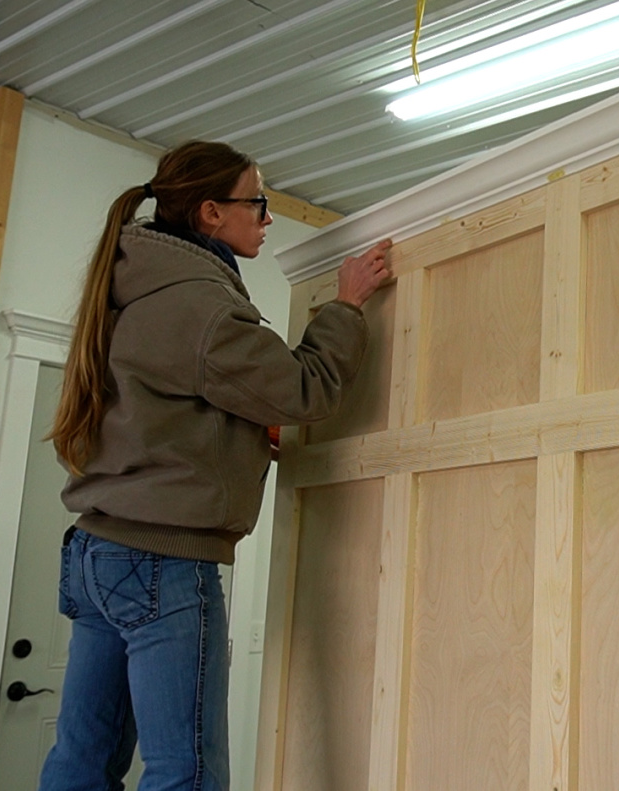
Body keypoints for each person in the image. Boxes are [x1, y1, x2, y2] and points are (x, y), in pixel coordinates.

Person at [40, 140, 390, 791]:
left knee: (81, 759)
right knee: (188, 770)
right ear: (209, 213)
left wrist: (243, 441)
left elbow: (167, 413)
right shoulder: (201, 303)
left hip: (96, 550)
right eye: (256, 202)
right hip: (158, 559)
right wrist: (344, 306)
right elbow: (304, 388)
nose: (266, 217)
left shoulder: (136, 281)